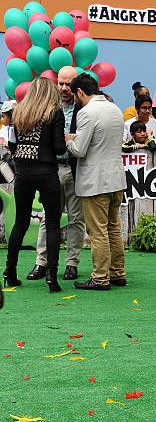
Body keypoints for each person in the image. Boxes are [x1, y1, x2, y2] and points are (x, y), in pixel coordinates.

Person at [3, 77, 66, 292]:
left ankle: (9, 270)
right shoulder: (54, 113)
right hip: (46, 172)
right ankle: (51, 275)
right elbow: (59, 148)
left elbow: (12, 144)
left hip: (22, 172)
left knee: (20, 223)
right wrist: (66, 138)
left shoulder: (19, 112)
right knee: (52, 225)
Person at [65, 74, 127, 291]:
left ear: (80, 92)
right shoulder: (115, 108)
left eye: (75, 95)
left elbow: (80, 150)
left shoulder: (86, 112)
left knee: (97, 231)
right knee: (113, 228)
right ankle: (117, 272)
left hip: (95, 181)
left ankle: (100, 278)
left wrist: (69, 140)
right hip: (116, 178)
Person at [27, 66, 85, 282]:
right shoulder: (48, 107)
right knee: (47, 219)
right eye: (60, 83)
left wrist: (71, 138)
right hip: (51, 169)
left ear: (76, 85)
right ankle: (41, 263)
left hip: (75, 168)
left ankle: (72, 264)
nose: (63, 88)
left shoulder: (83, 108)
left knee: (77, 219)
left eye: (68, 84)